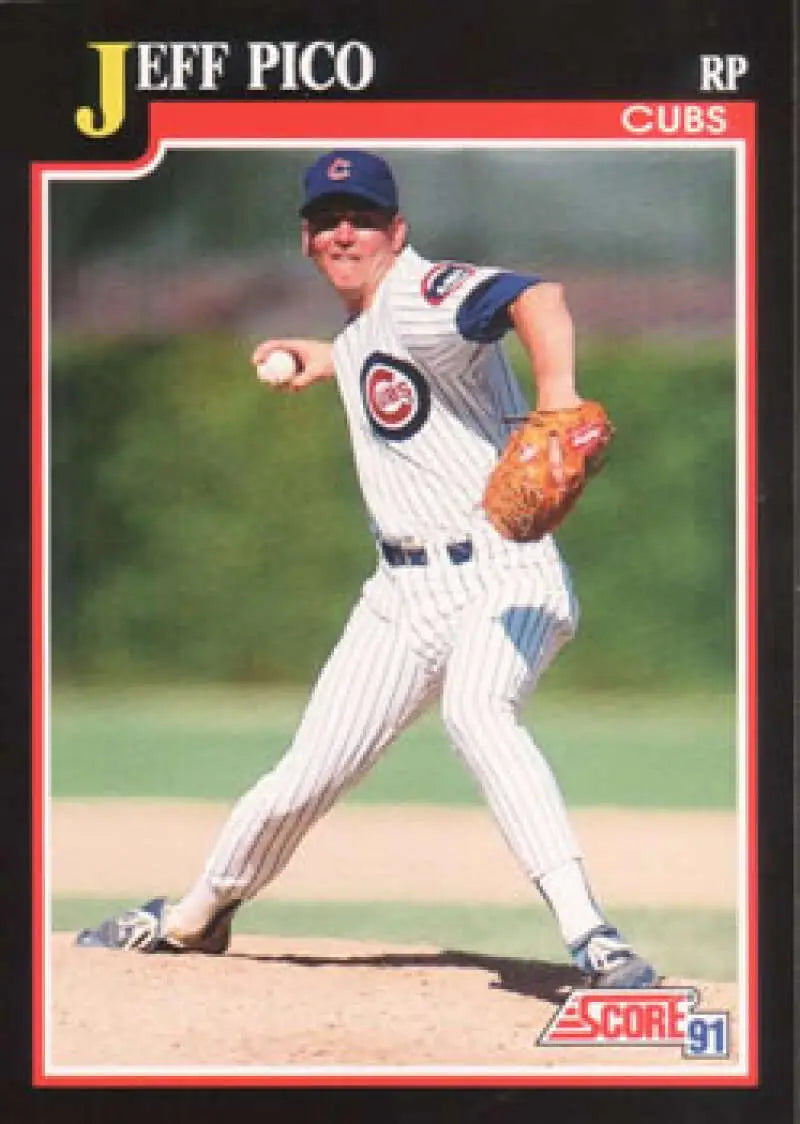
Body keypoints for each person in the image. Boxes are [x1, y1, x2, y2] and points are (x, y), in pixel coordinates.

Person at [77, 149, 658, 989]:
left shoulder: (423, 294)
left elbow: (539, 295)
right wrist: (334, 356)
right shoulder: (370, 326)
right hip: (400, 598)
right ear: (307, 241)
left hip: (505, 574)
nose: (342, 231)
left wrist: (559, 398)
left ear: (397, 231)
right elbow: (395, 362)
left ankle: (593, 936)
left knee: (477, 712)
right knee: (301, 779)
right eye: (325, 219)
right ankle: (192, 919)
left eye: (361, 217)